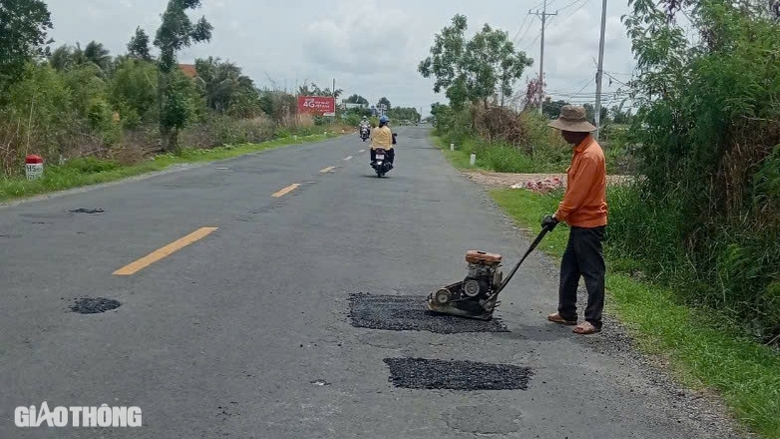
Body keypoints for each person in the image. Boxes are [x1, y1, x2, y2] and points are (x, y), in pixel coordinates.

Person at [542, 105, 608, 335]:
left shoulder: (590, 155)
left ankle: (594, 320)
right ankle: (567, 312)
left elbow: (577, 195)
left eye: (564, 129)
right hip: (580, 221)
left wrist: (556, 217)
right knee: (569, 268)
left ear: (576, 130)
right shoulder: (581, 150)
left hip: (589, 223)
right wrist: (560, 216)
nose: (562, 134)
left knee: (592, 272)